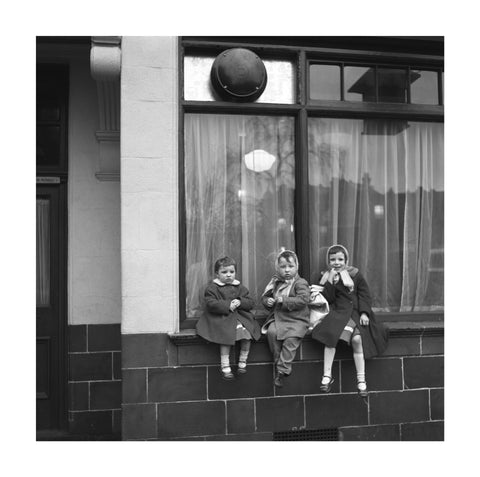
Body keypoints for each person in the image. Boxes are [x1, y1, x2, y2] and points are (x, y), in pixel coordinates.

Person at [311, 244, 388, 397]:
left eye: (340, 259)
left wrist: (365, 313)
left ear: (346, 260)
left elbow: (364, 295)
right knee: (330, 338)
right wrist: (330, 282)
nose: (337, 262)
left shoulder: (355, 275)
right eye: (332, 259)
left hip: (356, 313)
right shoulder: (327, 276)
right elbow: (329, 298)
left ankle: (361, 380)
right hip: (339, 313)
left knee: (358, 340)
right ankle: (327, 375)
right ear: (328, 261)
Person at [196, 257, 261, 380]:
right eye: (224, 272)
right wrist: (227, 305)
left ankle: (243, 361)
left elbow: (251, 302)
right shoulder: (212, 288)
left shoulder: (240, 287)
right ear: (217, 274)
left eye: (231, 272)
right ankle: (225, 365)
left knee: (247, 335)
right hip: (222, 318)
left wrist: (240, 302)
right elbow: (210, 303)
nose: (228, 275)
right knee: (225, 336)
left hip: (239, 318)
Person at [261, 250, 310, 388]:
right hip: (278, 318)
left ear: (297, 267)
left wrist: (284, 300)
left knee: (291, 340)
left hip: (297, 319)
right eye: (283, 267)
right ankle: (278, 362)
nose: (287, 270)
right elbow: (265, 296)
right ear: (278, 268)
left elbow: (303, 299)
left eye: (290, 266)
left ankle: (283, 370)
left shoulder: (300, 282)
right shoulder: (275, 282)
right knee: (272, 333)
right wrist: (267, 301)